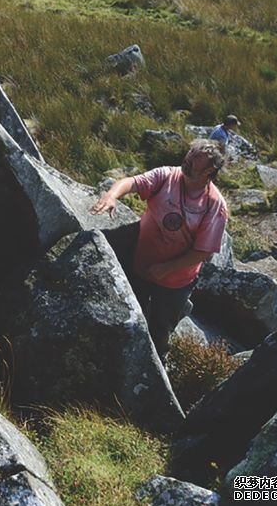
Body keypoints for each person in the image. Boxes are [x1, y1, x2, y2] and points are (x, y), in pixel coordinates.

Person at [90, 139, 229, 357]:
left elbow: (204, 252)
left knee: (159, 330)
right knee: (127, 316)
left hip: (175, 282)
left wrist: (168, 268)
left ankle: (156, 363)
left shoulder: (215, 205)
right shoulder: (167, 176)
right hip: (140, 266)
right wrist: (112, 195)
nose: (187, 161)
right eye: (189, 155)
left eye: (195, 160)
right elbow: (132, 182)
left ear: (210, 170)